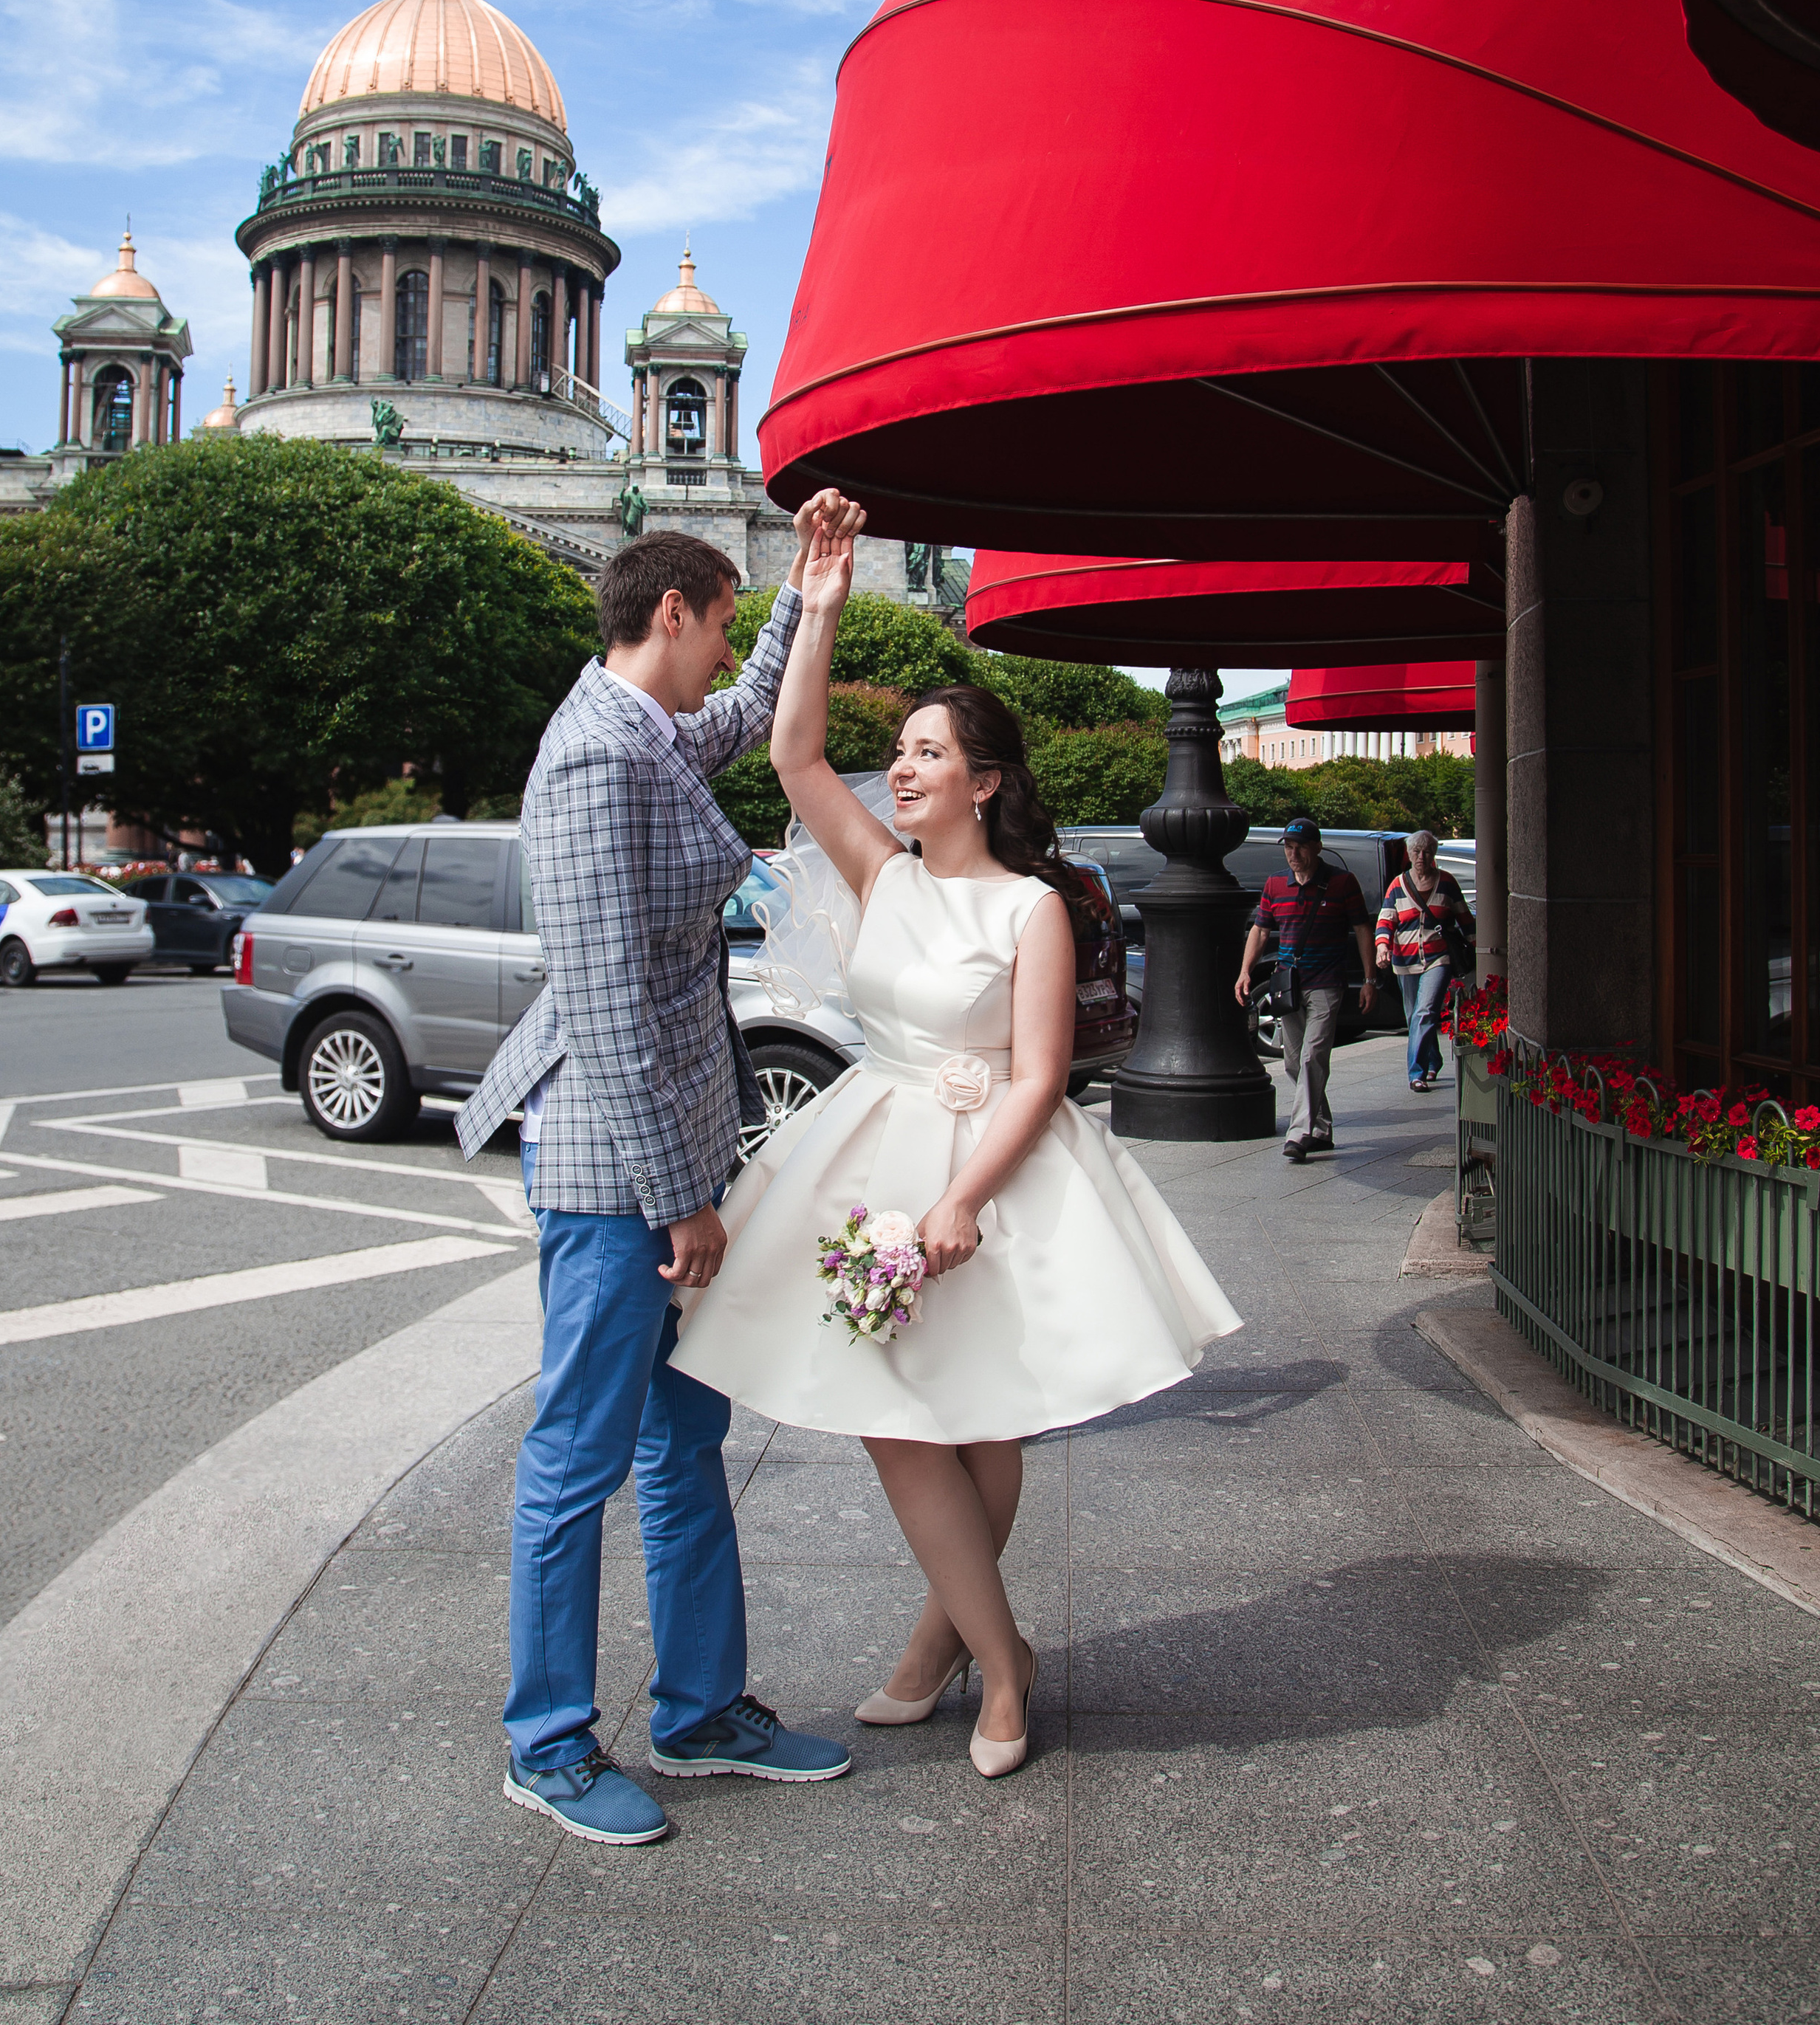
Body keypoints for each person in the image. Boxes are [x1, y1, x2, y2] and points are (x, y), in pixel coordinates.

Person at [671, 514, 1239, 1781]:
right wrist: (813, 606)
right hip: (871, 1145)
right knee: (896, 1418)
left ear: (984, 781)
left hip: (992, 1168)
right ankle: (1003, 1655)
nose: (904, 769)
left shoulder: (1031, 906)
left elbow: (1043, 1074)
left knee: (984, 1423)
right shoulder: (883, 874)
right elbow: (796, 753)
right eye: (903, 752)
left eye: (929, 753)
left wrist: (967, 1198)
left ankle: (953, 1653)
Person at [455, 500, 866, 1849]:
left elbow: (745, 716)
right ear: (671, 613)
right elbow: (608, 1002)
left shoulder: (643, 733)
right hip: (608, 1169)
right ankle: (547, 1741)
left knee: (684, 1440)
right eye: (727, 620)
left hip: (670, 1151)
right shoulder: (591, 759)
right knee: (577, 1457)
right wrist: (679, 1200)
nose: (728, 650)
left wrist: (809, 597)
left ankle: (698, 1711)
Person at [1234, 820, 1376, 1163]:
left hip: (1327, 983)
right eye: (1288, 847)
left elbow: (1361, 929)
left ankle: (1299, 1132)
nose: (1293, 854)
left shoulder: (1342, 883)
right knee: (1294, 1061)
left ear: (1317, 847)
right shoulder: (1275, 884)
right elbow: (1261, 931)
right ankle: (1321, 1129)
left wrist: (1370, 979)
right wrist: (1245, 972)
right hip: (1289, 984)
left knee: (1314, 1056)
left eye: (1300, 847)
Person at [1374, 827, 1474, 1092]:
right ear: (1409, 854)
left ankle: (1415, 1073)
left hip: (1438, 957)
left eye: (1427, 851)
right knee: (1413, 1016)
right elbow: (1385, 920)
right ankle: (1433, 1060)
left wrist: (1478, 948)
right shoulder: (1398, 885)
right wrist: (1382, 946)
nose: (1421, 856)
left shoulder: (1448, 883)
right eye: (1416, 851)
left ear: (1434, 854)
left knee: (1425, 1011)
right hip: (1404, 959)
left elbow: (1465, 920)